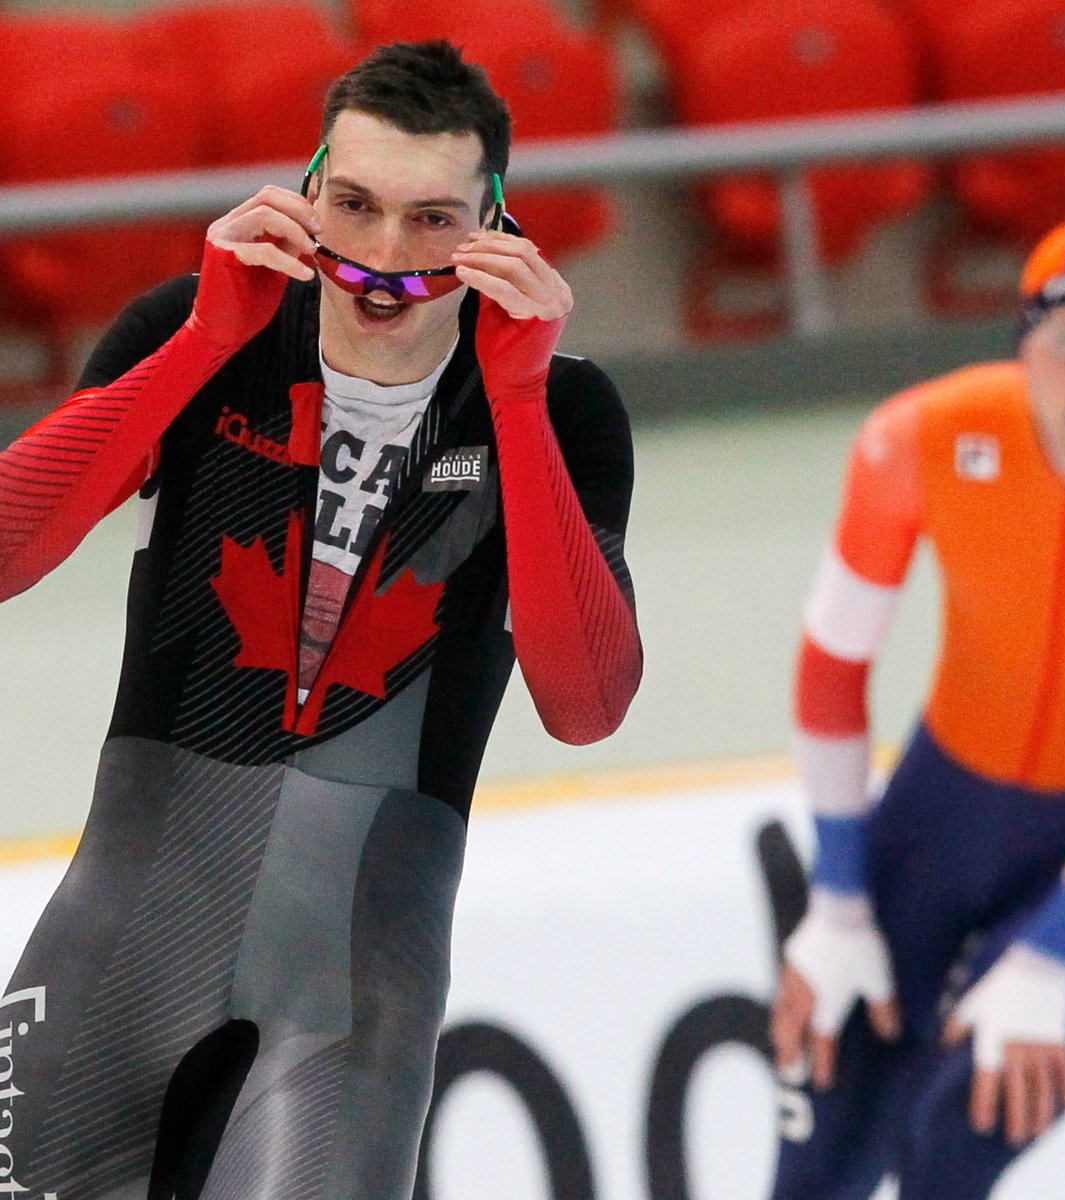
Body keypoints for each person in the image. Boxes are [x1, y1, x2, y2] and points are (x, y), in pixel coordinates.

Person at [0, 39, 641, 1200]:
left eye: (434, 220)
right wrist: (202, 341)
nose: (387, 255)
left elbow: (586, 705)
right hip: (114, 968)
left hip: (348, 1009)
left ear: (496, 225)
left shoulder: (562, 407)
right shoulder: (195, 334)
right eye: (355, 206)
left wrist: (519, 402)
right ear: (305, 196)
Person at [771, 214, 1065, 1199]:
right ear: (1024, 348)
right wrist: (835, 903)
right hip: (943, 807)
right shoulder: (920, 436)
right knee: (821, 1123)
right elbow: (833, 668)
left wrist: (1057, 957)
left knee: (955, 1145)